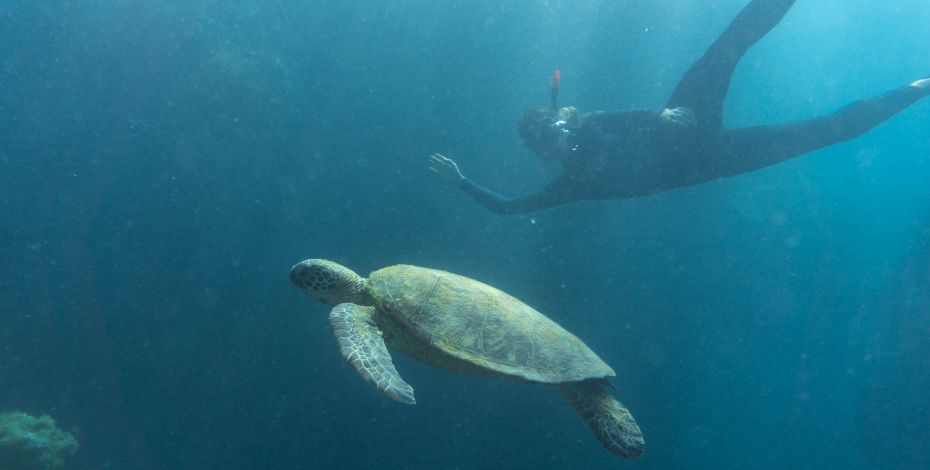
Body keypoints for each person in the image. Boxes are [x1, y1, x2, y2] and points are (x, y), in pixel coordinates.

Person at [429, 0, 930, 215]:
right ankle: (918, 87)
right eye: (550, 140)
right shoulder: (569, 186)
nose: (560, 137)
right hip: (711, 161)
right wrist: (461, 182)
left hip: (681, 125)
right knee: (823, 131)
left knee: (725, 48)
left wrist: (659, 116)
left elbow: (623, 118)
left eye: (556, 126)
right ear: (546, 151)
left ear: (561, 119)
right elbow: (511, 208)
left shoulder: (586, 123)